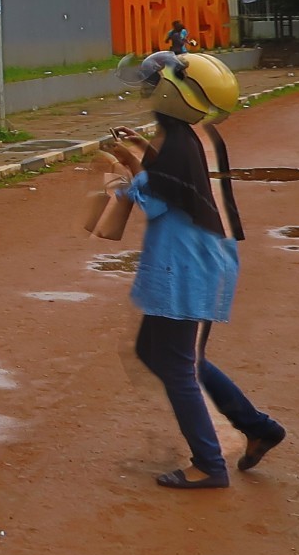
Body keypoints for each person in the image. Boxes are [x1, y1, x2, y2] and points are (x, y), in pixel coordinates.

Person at [104, 51, 285, 490]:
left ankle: (209, 463)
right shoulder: (190, 136)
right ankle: (256, 426)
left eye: (154, 85)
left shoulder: (177, 146)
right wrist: (144, 154)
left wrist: (124, 170)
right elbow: (175, 183)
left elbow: (149, 200)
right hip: (194, 260)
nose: (147, 92)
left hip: (186, 268)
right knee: (156, 352)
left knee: (179, 367)